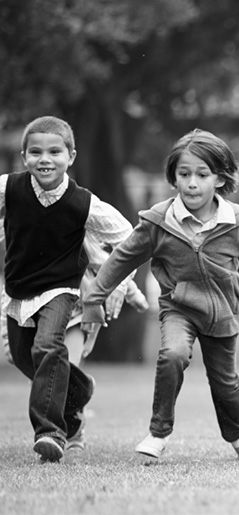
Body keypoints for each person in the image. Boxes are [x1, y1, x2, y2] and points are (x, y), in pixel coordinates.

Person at [82, 129, 239, 462]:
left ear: (220, 179)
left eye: (202, 175)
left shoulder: (238, 222)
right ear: (174, 178)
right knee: (173, 355)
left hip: (223, 311)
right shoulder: (159, 222)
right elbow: (122, 257)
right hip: (178, 307)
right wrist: (94, 297)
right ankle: (158, 432)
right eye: (184, 174)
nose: (192, 183)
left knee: (224, 382)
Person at [3, 116, 136, 462]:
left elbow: (128, 238)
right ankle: (79, 387)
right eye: (36, 152)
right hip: (19, 287)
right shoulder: (9, 189)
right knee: (21, 356)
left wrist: (120, 281)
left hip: (61, 287)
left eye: (54, 151)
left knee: (48, 346)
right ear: (24, 156)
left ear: (71, 156)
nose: (44, 159)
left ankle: (50, 432)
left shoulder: (84, 202)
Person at [1, 235, 150, 452]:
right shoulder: (23, 226)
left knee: (64, 368)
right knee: (43, 376)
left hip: (75, 312)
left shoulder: (76, 224)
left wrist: (131, 292)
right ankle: (79, 390)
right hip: (34, 309)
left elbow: (109, 265)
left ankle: (67, 431)